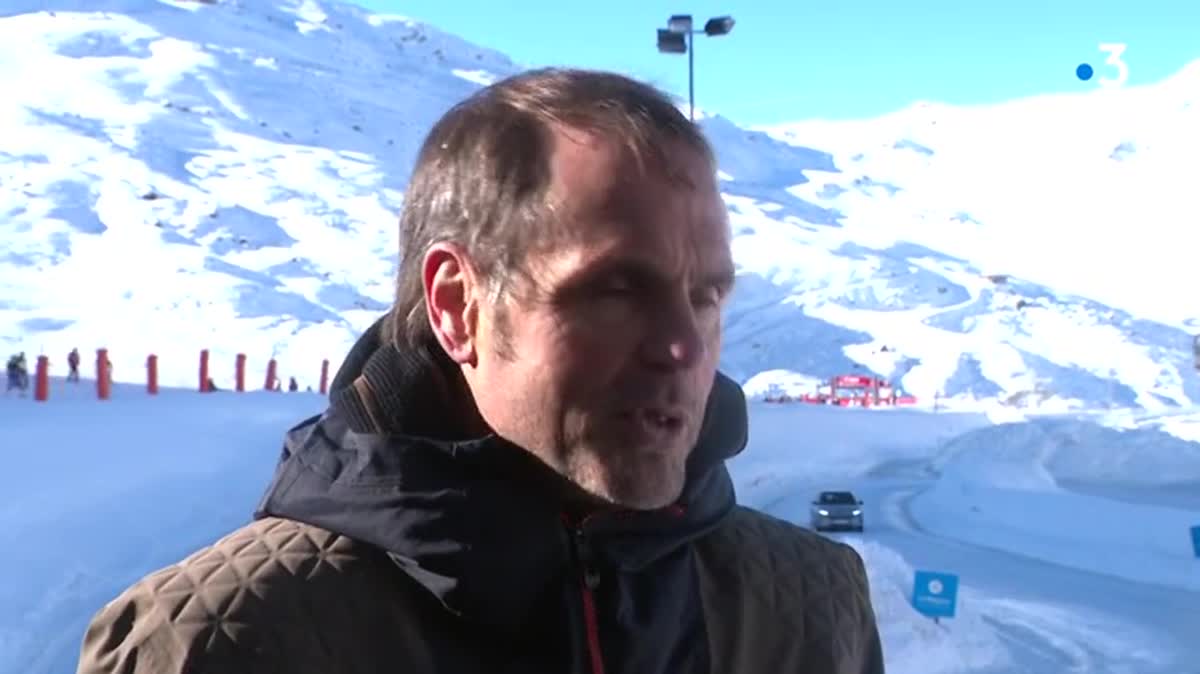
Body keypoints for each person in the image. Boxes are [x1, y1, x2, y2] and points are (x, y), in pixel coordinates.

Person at [75, 69, 884, 674]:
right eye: (615, 290)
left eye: (706, 298)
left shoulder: (809, 607)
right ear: (458, 305)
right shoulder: (219, 639)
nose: (682, 347)